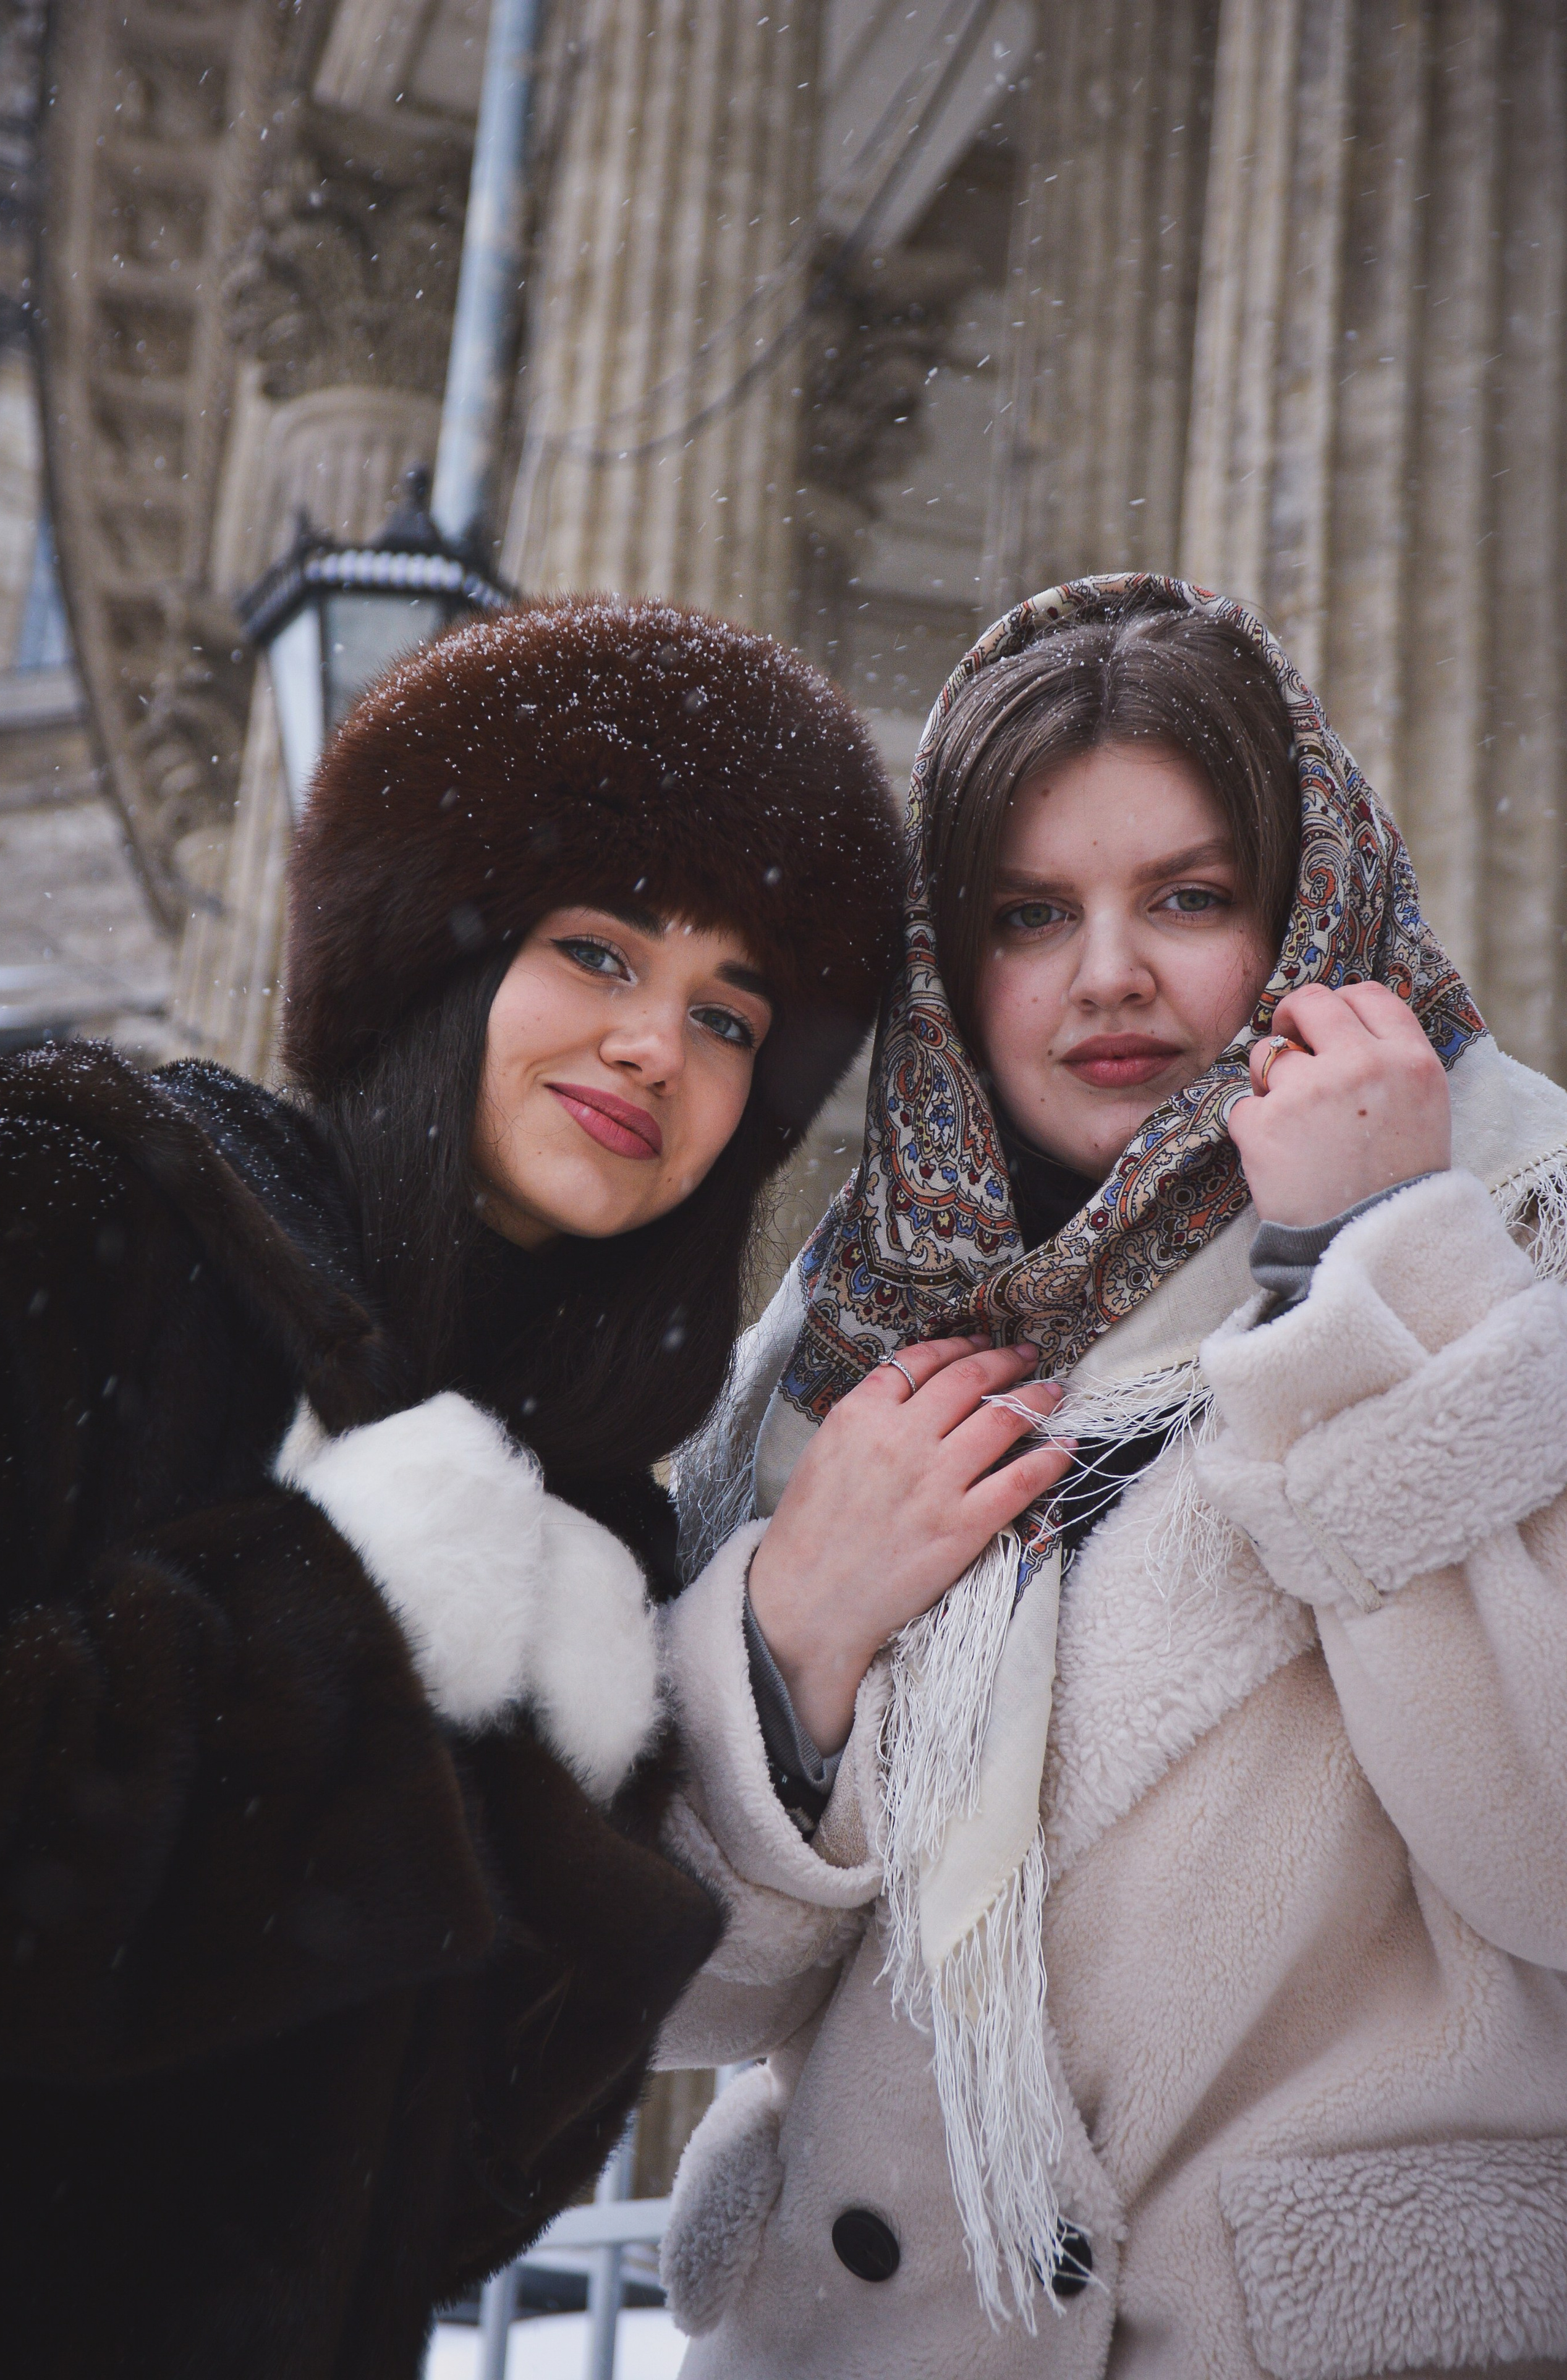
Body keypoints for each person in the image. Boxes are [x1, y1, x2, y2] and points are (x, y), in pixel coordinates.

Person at [656, 574, 1567, 2379]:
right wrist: (786, 1647)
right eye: (1028, 913)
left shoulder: (1518, 1230)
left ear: (1312, 909)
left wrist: (1374, 1268)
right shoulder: (845, 1327)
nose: (1107, 976)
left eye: (1189, 898)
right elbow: (680, 1990)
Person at [0, 596, 901, 2380]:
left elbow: (457, 2195)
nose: (660, 1042)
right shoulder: (80, 1208)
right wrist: (341, 1601)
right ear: (440, 956)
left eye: (731, 1013)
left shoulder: (589, 1538)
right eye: (604, 949)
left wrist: (606, 1798)